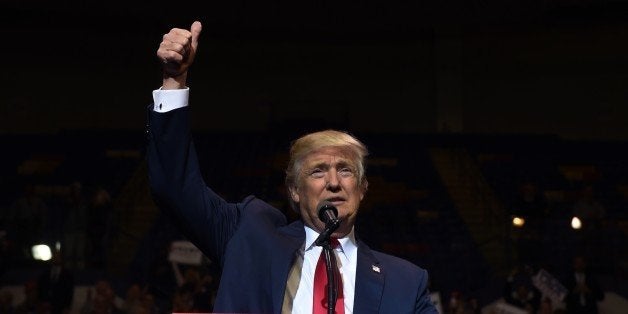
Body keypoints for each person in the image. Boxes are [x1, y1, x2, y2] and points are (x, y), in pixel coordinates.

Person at [147, 20, 438, 313]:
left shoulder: (405, 282)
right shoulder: (250, 236)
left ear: (362, 189)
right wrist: (175, 80)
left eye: (346, 170)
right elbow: (175, 187)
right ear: (295, 191)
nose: (334, 182)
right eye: (318, 171)